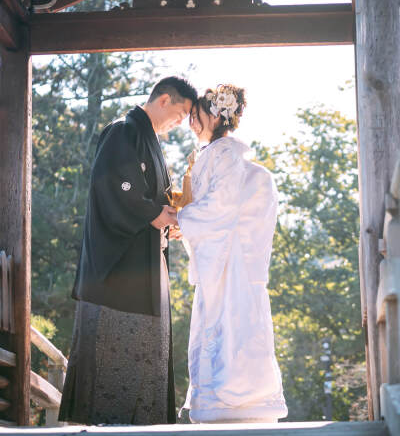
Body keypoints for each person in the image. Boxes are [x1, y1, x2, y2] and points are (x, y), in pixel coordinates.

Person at [59, 76, 197, 425]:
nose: (180, 123)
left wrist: (168, 219)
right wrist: (153, 213)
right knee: (112, 363)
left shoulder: (149, 140)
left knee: (146, 363)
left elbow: (155, 202)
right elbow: (114, 186)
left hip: (145, 268)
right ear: (164, 100)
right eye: (180, 114)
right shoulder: (123, 131)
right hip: (117, 273)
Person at [175, 84, 288, 423]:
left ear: (214, 116)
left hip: (227, 260)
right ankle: (239, 403)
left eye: (195, 116)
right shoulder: (222, 154)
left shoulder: (223, 154)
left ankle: (231, 404)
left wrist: (182, 219)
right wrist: (189, 221)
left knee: (228, 325)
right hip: (230, 257)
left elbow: (220, 206)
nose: (191, 123)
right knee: (239, 326)